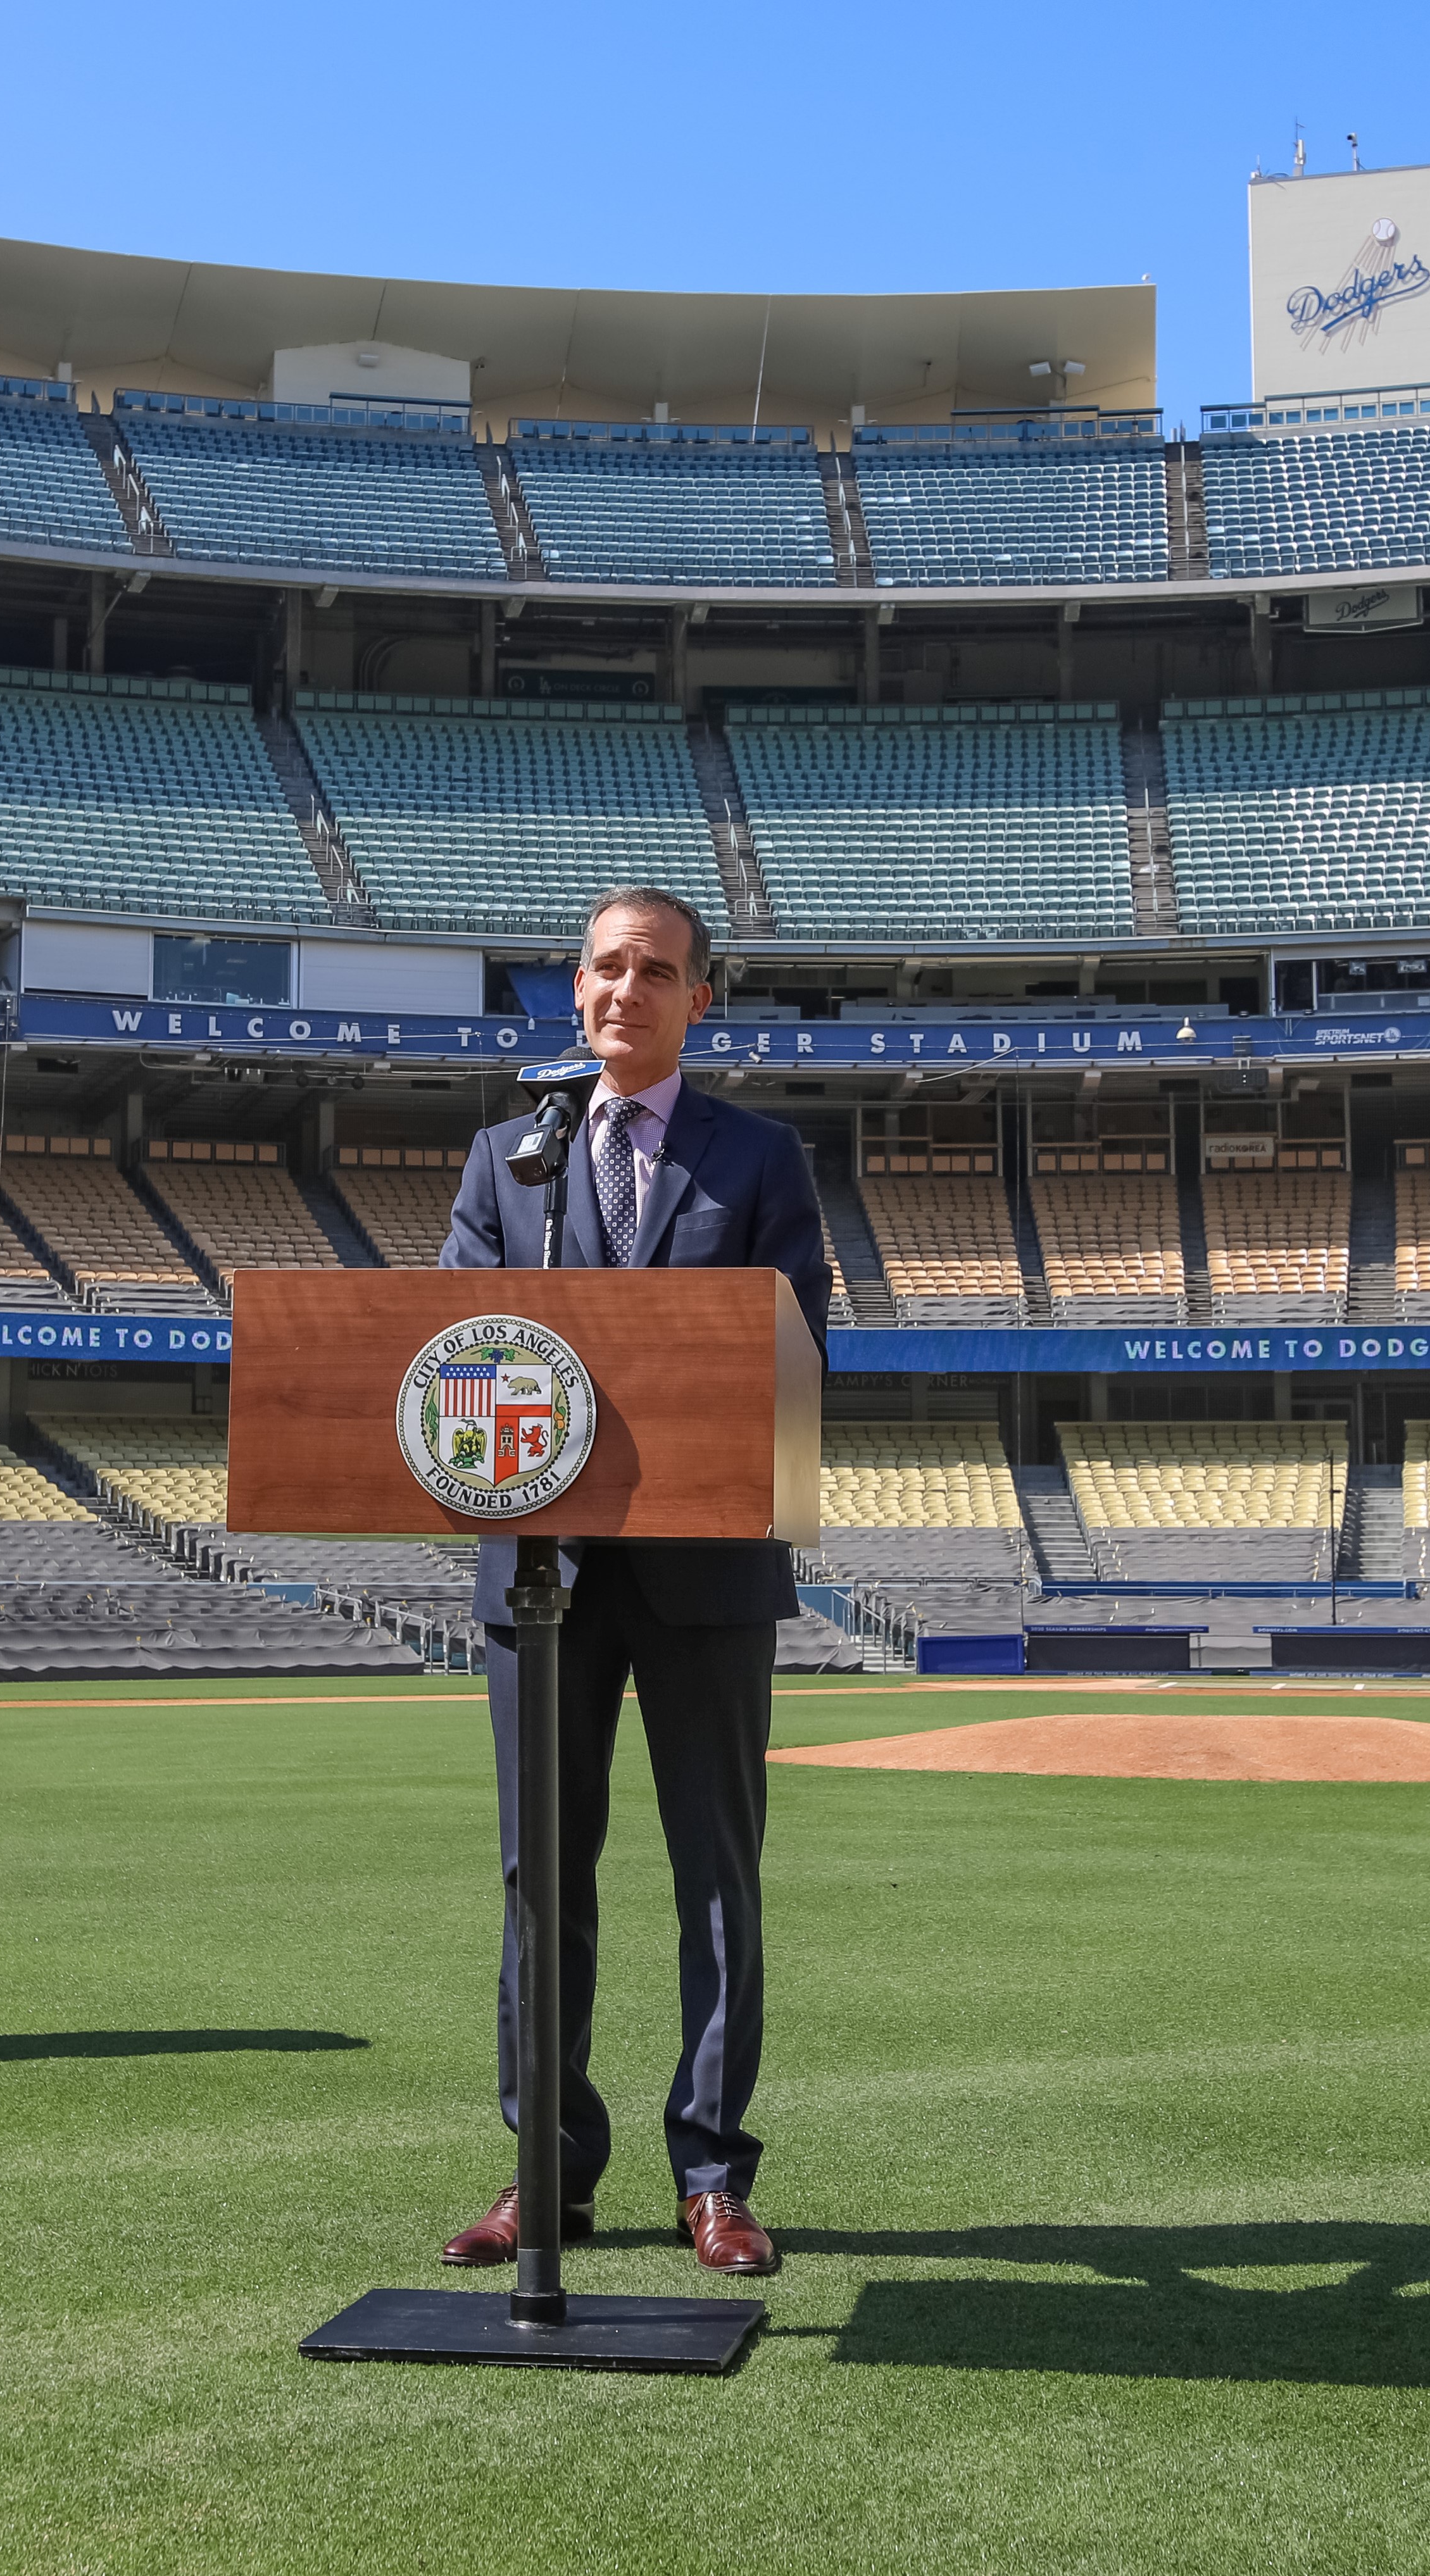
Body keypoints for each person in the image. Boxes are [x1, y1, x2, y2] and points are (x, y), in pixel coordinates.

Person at [437, 885, 830, 2277]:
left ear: (696, 998)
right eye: (606, 968)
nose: (627, 990)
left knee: (714, 1878)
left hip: (705, 1574)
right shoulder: (505, 1160)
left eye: (656, 971)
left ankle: (712, 2174)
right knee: (539, 1880)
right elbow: (456, 1351)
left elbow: (788, 1358)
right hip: (538, 1573)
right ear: (574, 987)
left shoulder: (763, 1158)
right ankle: (546, 2171)